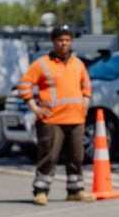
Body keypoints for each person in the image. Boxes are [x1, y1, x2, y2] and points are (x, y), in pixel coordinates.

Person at [18, 25, 95, 205]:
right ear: (54, 42)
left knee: (76, 157)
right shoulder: (42, 64)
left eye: (67, 40)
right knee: (49, 157)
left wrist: (86, 101)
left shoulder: (78, 63)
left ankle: (76, 191)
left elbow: (86, 84)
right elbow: (24, 85)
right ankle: (41, 191)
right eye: (60, 40)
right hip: (52, 120)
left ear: (71, 42)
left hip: (76, 119)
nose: (64, 44)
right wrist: (35, 108)